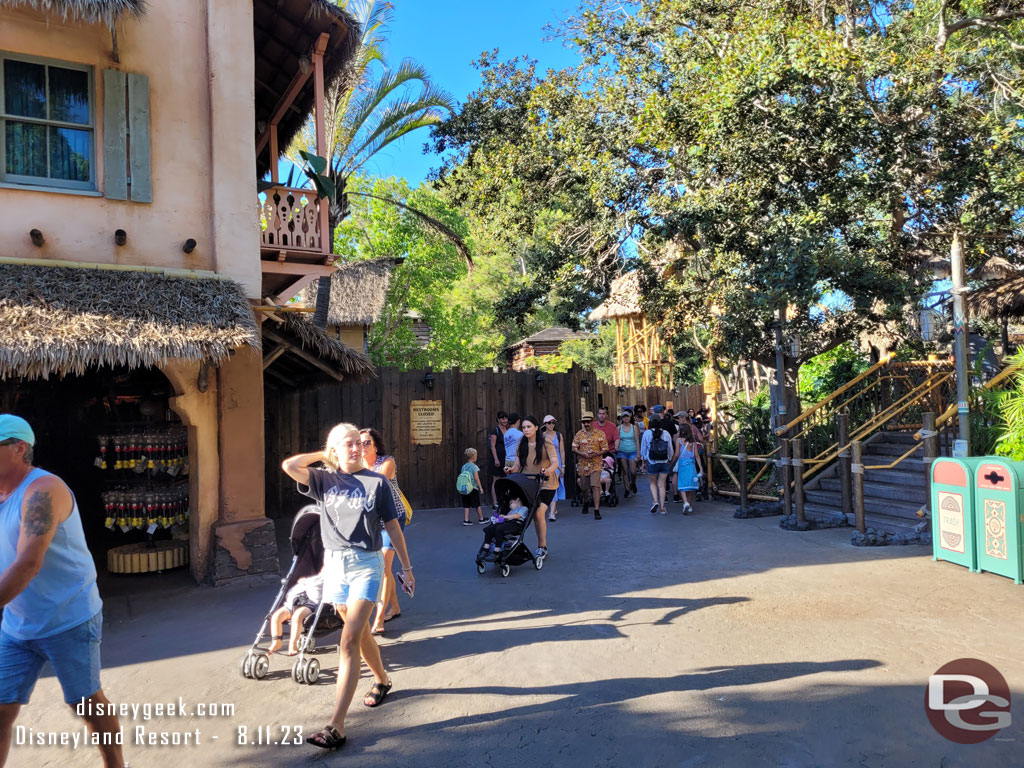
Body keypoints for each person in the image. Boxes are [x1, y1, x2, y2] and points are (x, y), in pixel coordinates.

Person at [0, 415, 125, 768]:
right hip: (17, 622)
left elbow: (28, 563)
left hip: (67, 617)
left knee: (85, 703)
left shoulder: (43, 490)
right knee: (1, 708)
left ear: (18, 448)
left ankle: (116, 765)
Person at [283, 423, 414, 751]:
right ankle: (382, 680)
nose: (356, 448)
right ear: (336, 449)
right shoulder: (324, 480)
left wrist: (407, 567)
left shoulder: (378, 482)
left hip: (366, 567)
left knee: (348, 640)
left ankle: (336, 725)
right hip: (336, 568)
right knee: (361, 635)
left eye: (359, 443)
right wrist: (323, 455)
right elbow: (290, 466)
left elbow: (393, 525)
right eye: (348, 444)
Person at [360, 429, 405, 636]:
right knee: (384, 568)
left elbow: (376, 483)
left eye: (367, 443)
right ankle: (394, 606)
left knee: (384, 566)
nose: (362, 447)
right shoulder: (358, 467)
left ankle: (378, 618)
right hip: (372, 521)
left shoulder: (387, 462)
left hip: (392, 518)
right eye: (359, 443)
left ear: (376, 446)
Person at [510, 416, 558, 561]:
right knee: (519, 511)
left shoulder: (545, 440)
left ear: (536, 427)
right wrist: (511, 469)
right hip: (528, 484)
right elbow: (517, 465)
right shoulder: (521, 443)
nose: (526, 430)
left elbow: (555, 461)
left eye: (529, 426)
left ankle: (542, 547)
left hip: (546, 483)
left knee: (538, 513)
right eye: (523, 427)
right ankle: (512, 542)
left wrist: (549, 470)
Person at [269, 572, 324, 655]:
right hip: (292, 603)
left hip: (309, 604)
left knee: (297, 616)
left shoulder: (326, 578)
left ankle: (293, 644)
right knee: (276, 616)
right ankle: (276, 641)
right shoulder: (307, 574)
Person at [571, 411, 609, 520]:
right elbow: (574, 448)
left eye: (588, 421)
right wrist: (581, 453)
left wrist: (597, 453)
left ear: (592, 422)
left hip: (596, 463)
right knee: (584, 487)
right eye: (584, 422)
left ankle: (597, 510)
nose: (586, 424)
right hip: (583, 464)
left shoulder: (600, 434)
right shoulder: (579, 434)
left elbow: (605, 448)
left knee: (595, 485)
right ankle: (586, 501)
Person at [640, 417, 674, 515]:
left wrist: (643, 462)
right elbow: (670, 449)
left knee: (653, 483)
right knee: (662, 485)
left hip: (652, 461)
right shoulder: (666, 433)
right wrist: (670, 459)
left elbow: (644, 449)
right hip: (664, 461)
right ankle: (663, 508)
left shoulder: (647, 433)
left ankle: (655, 501)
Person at [675, 422, 704, 514]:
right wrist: (701, 468)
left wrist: (672, 462)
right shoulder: (693, 441)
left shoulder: (679, 440)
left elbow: (676, 454)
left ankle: (685, 502)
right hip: (691, 465)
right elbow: (696, 455)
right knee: (690, 486)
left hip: (682, 464)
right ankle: (689, 503)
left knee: (682, 485)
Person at [541, 416, 565, 522]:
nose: (551, 425)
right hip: (546, 463)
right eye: (549, 423)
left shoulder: (559, 435)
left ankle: (551, 512)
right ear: (545, 424)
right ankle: (552, 509)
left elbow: (562, 451)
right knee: (548, 486)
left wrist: (563, 466)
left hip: (557, 462)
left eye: (553, 423)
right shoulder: (541, 436)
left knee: (555, 486)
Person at [458, 448, 486, 526]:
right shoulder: (474, 467)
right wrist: (480, 487)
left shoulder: (463, 466)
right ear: (474, 457)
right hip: (473, 488)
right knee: (477, 504)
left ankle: (466, 520)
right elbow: (476, 478)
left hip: (465, 488)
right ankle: (481, 518)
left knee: (466, 504)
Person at [488, 411, 509, 511]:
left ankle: (504, 500)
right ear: (498, 419)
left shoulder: (508, 430)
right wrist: (496, 459)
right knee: (496, 480)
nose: (504, 420)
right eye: (502, 418)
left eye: (505, 418)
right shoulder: (495, 431)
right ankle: (495, 502)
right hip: (498, 459)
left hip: (506, 458)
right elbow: (492, 446)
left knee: (506, 480)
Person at [616, 410, 640, 497]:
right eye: (624, 417)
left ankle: (633, 483)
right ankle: (627, 489)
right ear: (622, 418)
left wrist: (638, 453)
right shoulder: (619, 428)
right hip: (622, 451)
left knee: (633, 471)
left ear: (630, 418)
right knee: (625, 471)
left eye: (627, 416)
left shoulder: (634, 427)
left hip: (632, 451)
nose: (625, 418)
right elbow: (617, 439)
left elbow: (637, 440)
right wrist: (616, 448)